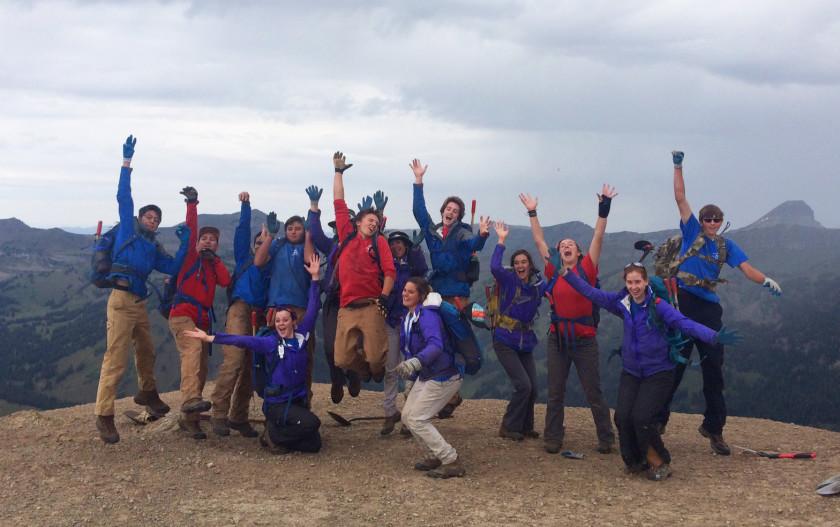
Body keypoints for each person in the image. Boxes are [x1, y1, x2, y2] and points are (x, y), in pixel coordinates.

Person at [557, 259, 742, 480]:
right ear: (625, 283)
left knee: (643, 418)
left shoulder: (659, 306)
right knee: (623, 417)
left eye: (638, 282)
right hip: (632, 371)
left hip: (659, 371)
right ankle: (635, 462)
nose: (634, 287)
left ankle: (661, 463)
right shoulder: (622, 302)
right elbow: (593, 293)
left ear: (646, 282)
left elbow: (685, 323)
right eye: (629, 282)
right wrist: (567, 274)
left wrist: (713, 336)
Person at [657, 151, 782, 456]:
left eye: (716, 219)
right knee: (675, 363)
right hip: (683, 302)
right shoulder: (691, 233)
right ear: (700, 221)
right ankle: (656, 420)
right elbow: (680, 197)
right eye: (707, 219)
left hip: (709, 308)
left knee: (714, 368)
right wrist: (677, 166)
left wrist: (765, 280)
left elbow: (747, 269)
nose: (712, 223)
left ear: (722, 221)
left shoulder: (727, 245)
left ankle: (714, 428)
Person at [94, 135, 191, 444]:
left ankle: (147, 394)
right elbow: (124, 197)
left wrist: (186, 241)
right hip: (121, 301)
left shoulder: (153, 246)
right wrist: (126, 164)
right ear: (139, 218)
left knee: (147, 351)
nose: (153, 220)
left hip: (138, 303)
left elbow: (174, 268)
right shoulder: (127, 228)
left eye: (156, 218)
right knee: (116, 358)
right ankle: (104, 416)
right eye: (149, 216)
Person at [185, 254, 324, 454]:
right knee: (313, 423)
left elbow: (312, 308)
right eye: (278, 321)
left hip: (297, 401)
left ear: (294, 321)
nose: (281, 324)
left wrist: (315, 278)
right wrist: (211, 337)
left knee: (315, 444)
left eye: (285, 320)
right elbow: (241, 340)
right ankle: (272, 435)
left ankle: (276, 433)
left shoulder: (302, 336)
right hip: (278, 403)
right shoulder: (270, 342)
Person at [519, 186, 618, 455]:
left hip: (585, 341)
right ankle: (553, 438)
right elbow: (540, 241)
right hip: (558, 339)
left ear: (579, 252)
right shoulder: (554, 270)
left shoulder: (587, 269)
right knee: (555, 392)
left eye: (570, 245)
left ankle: (607, 438)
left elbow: (598, 236)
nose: (565, 247)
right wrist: (532, 212)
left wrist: (604, 208)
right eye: (562, 245)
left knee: (594, 391)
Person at [411, 157, 490, 418]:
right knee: (435, 341)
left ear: (459, 216)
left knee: (453, 342)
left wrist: (482, 235)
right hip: (434, 292)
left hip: (456, 296)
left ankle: (450, 397)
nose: (451, 211)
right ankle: (436, 395)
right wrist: (418, 181)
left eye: (455, 210)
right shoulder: (433, 234)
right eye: (448, 208)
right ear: (443, 210)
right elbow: (420, 213)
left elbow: (473, 244)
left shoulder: (462, 234)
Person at [168, 186, 232, 440]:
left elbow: (226, 281)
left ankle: (190, 419)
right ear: (197, 243)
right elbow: (192, 228)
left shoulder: (212, 265)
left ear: (217, 246)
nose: (207, 241)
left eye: (212, 240)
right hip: (182, 312)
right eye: (204, 239)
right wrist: (192, 204)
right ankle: (192, 400)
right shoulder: (189, 259)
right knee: (193, 352)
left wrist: (214, 259)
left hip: (203, 319)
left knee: (201, 367)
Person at [208, 191, 269, 438]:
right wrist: (246, 206)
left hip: (262, 314)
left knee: (251, 368)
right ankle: (218, 414)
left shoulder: (271, 265)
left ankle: (239, 417)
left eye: (264, 244)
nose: (259, 246)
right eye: (258, 243)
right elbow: (242, 233)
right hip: (241, 308)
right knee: (234, 359)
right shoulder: (245, 257)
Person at [332, 151, 397, 380]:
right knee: (341, 359)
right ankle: (365, 370)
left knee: (378, 358)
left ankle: (373, 367)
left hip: (372, 305)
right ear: (357, 222)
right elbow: (339, 202)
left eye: (377, 222)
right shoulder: (346, 234)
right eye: (370, 220)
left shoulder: (379, 241)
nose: (374, 224)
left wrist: (384, 296)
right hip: (347, 306)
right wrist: (338, 172)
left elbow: (390, 271)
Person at [397, 277, 466, 479]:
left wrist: (414, 364)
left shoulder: (427, 316)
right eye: (405, 290)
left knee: (418, 419)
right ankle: (432, 455)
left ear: (421, 296)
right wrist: (412, 379)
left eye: (411, 292)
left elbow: (436, 346)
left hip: (445, 375)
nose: (405, 294)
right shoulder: (410, 316)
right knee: (407, 416)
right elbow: (414, 350)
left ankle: (450, 460)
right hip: (429, 374)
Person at [490, 221, 551, 441]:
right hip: (505, 339)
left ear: (530, 264)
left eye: (523, 262)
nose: (520, 266)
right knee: (523, 385)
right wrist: (501, 241)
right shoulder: (508, 280)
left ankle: (525, 426)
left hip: (526, 341)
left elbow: (554, 285)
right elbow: (495, 267)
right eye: (516, 263)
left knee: (533, 388)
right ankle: (508, 426)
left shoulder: (538, 285)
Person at [306, 185, 362, 404]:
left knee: (354, 346)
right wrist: (314, 207)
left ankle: (354, 376)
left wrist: (375, 214)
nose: (341, 227)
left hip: (355, 303)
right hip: (333, 302)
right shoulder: (331, 246)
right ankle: (337, 380)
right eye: (339, 225)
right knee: (330, 347)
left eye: (345, 224)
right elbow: (316, 232)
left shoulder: (361, 245)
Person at [254, 209, 316, 402]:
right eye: (290, 228)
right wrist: (271, 236)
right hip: (276, 308)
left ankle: (303, 401)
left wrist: (308, 234)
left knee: (304, 355)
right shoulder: (278, 245)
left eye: (298, 228)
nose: (293, 231)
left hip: (301, 309)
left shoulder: (308, 245)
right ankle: (274, 400)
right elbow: (258, 261)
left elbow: (309, 260)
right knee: (273, 354)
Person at [381, 230, 428, 435]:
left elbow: (422, 271)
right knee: (390, 369)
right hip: (391, 322)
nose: (396, 246)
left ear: (407, 245)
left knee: (411, 370)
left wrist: (417, 250)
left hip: (411, 323)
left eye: (400, 242)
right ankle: (390, 412)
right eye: (392, 243)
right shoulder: (386, 265)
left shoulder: (413, 264)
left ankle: (410, 416)